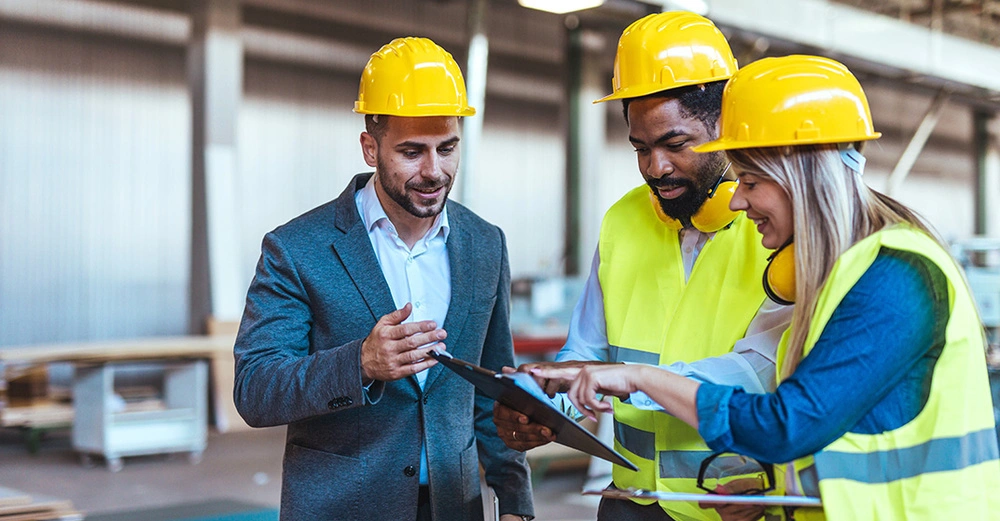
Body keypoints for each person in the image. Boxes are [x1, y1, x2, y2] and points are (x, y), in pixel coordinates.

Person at [547, 55, 1000, 521]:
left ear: (802, 177)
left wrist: (642, 378)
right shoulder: (850, 271)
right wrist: (774, 487)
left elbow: (789, 424)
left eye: (749, 181)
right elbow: (854, 425)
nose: (737, 201)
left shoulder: (895, 277)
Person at [493, 12, 792, 521]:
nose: (657, 167)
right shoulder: (623, 221)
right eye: (641, 148)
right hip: (630, 502)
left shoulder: (771, 224)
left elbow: (759, 372)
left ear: (725, 124)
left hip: (730, 508)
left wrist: (634, 379)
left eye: (675, 145)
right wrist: (543, 402)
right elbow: (586, 352)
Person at [233, 37, 534, 521]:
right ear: (370, 148)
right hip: (342, 508)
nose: (434, 171)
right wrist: (360, 363)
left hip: (453, 507)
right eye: (412, 152)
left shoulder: (485, 244)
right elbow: (255, 390)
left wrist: (515, 501)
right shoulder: (297, 249)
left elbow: (492, 388)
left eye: (447, 148)